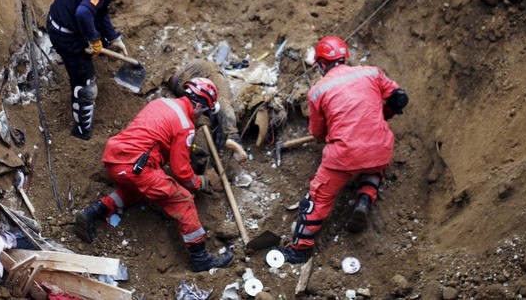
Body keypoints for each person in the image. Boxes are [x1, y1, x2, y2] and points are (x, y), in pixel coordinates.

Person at [73, 77, 234, 272]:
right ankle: (200, 258)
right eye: (204, 111)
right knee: (183, 200)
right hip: (136, 166)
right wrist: (198, 183)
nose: (202, 116)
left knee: (137, 192)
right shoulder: (185, 125)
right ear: (199, 105)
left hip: (115, 159)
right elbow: (181, 171)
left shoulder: (161, 103)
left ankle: (94, 211)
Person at [278, 35, 408, 264]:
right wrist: (383, 115)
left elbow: (318, 133)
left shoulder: (317, 91)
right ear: (345, 58)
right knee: (374, 164)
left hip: (345, 155)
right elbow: (398, 98)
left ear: (320, 64)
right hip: (380, 147)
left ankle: (298, 250)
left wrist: (331, 134)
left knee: (316, 199)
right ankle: (365, 197)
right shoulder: (371, 72)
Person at [46, 0, 148, 140]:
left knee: (87, 64)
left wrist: (113, 37)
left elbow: (99, 13)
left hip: (60, 22)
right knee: (86, 85)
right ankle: (81, 134)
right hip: (65, 35)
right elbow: (84, 13)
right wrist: (94, 40)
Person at [166, 59, 248, 163]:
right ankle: (233, 136)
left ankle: (224, 142)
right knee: (222, 100)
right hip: (201, 72)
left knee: (217, 105)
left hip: (190, 83)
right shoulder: (203, 70)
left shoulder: (180, 88)